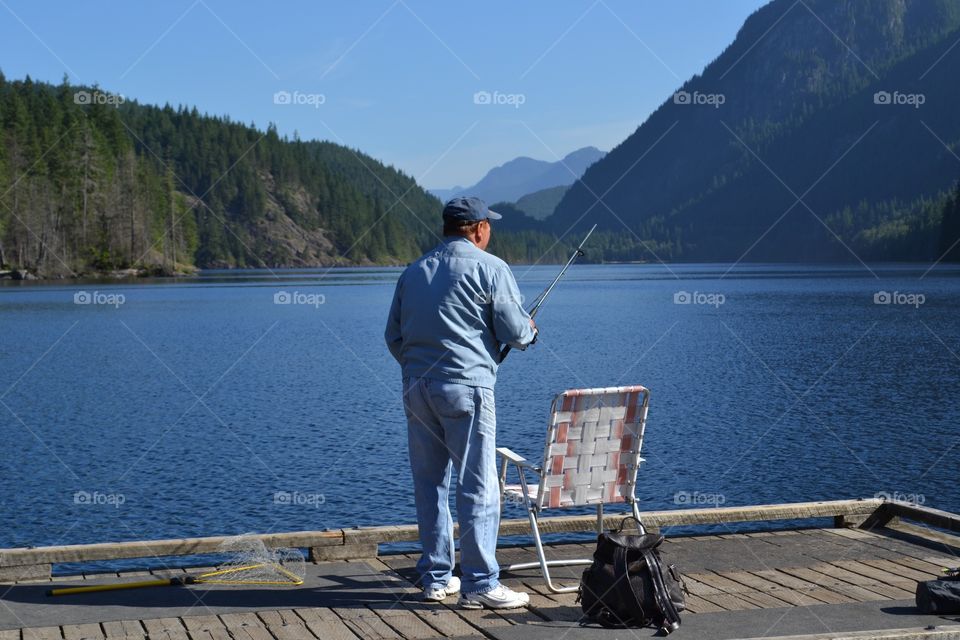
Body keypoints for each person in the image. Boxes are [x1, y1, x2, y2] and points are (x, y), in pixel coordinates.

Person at [385, 196, 537, 609]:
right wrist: (530, 332)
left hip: (417, 388)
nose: (490, 231)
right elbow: (512, 329)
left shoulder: (413, 272)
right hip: (467, 389)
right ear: (478, 228)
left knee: (429, 483)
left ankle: (437, 578)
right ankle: (481, 584)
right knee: (479, 485)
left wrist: (419, 370)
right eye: (489, 225)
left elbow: (393, 337)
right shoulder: (492, 269)